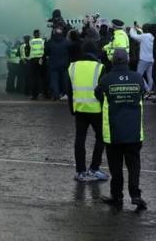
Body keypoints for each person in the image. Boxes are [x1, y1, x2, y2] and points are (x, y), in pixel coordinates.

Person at [96, 48, 147, 211]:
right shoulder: (137, 78)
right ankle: (136, 195)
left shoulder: (106, 80)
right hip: (133, 131)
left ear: (112, 61)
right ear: (128, 60)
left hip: (113, 131)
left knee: (115, 166)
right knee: (134, 165)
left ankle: (117, 195)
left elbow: (98, 95)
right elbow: (143, 93)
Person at [67, 41, 108, 182]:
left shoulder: (72, 67)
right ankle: (94, 168)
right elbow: (102, 90)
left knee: (80, 140)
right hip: (96, 109)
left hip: (79, 108)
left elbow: (69, 90)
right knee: (101, 138)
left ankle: (80, 171)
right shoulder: (99, 67)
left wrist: (72, 108)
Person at [129, 24, 154, 97]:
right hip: (151, 59)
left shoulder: (144, 36)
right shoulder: (153, 36)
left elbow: (133, 35)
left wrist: (133, 28)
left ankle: (147, 90)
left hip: (143, 59)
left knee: (138, 75)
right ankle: (150, 91)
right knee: (150, 76)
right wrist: (138, 29)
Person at [46, 25, 70, 100]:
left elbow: (46, 52)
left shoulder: (50, 42)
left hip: (53, 64)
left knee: (54, 80)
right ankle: (66, 93)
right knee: (65, 80)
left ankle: (56, 94)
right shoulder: (66, 42)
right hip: (64, 64)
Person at [28, 29, 46, 100]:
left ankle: (34, 95)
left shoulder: (31, 41)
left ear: (33, 34)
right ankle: (44, 93)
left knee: (34, 78)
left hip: (33, 61)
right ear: (39, 34)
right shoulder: (42, 41)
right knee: (43, 77)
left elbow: (29, 50)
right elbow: (45, 50)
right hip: (41, 60)